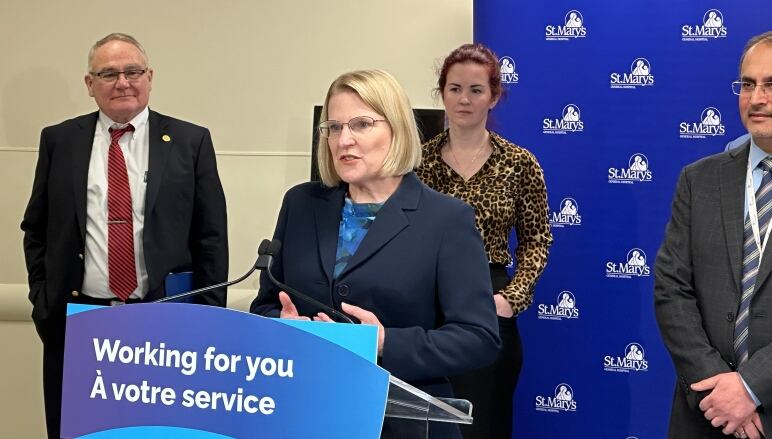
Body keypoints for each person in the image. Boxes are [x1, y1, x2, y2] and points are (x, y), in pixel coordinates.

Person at [249, 69, 500, 439]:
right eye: (333, 127)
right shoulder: (300, 204)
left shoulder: (446, 220)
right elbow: (267, 304)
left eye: (361, 124)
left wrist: (383, 342)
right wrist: (287, 327)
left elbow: (478, 338)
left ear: (396, 130)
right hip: (306, 413)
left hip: (402, 423)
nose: (343, 140)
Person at [20, 33, 229, 438]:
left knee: (159, 432)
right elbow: (37, 228)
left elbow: (211, 238)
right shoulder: (59, 141)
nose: (123, 82)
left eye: (133, 71)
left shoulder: (190, 141)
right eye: (108, 73)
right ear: (89, 84)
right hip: (79, 322)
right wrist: (43, 301)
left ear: (150, 77)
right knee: (79, 430)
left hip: (165, 322)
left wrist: (207, 319)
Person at [417, 43, 553, 439]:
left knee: (484, 425)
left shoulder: (519, 163)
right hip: (423, 309)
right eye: (455, 88)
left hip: (488, 302)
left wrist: (511, 300)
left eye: (476, 90)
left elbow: (537, 240)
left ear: (494, 96)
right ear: (442, 92)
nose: (464, 99)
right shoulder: (415, 163)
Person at [655, 30, 772, 439]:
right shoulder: (699, 179)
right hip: (703, 413)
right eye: (747, 84)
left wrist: (750, 387)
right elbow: (672, 288)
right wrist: (718, 388)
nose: (756, 98)